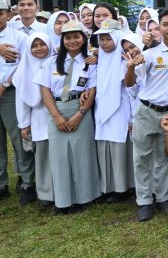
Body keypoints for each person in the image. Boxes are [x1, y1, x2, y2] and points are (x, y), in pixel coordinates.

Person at [125, 9, 168, 221]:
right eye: (165, 24)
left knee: (163, 157)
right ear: (159, 28)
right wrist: (129, 67)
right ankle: (144, 201)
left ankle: (163, 197)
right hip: (147, 111)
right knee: (142, 158)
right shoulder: (148, 54)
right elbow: (130, 83)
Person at [35, 21, 100, 214]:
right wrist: (56, 116)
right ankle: (62, 201)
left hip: (80, 109)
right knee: (59, 156)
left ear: (83, 38)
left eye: (76, 36)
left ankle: (84, 198)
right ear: (62, 40)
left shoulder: (90, 63)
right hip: (57, 109)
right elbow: (44, 90)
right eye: (68, 37)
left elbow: (93, 90)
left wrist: (80, 115)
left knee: (82, 155)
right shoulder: (51, 62)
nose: (72, 41)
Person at [93, 19, 135, 203]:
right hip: (102, 109)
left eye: (108, 39)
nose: (104, 43)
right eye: (101, 39)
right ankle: (109, 186)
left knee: (121, 148)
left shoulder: (125, 59)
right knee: (106, 147)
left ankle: (125, 187)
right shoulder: (100, 58)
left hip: (121, 109)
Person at [0, 0, 36, 203]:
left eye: (0, 13)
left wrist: (5, 84)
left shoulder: (19, 37)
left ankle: (27, 182)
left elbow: (24, 65)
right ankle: (1, 184)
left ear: (7, 14)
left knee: (19, 140)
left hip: (11, 92)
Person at [15, 32, 54, 206]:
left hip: (60, 116)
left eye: (42, 44)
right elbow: (22, 99)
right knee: (43, 158)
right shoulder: (25, 68)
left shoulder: (57, 62)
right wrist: (24, 125)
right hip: (38, 118)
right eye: (34, 45)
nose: (39, 48)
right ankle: (46, 194)